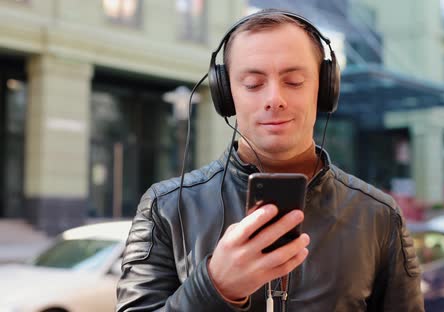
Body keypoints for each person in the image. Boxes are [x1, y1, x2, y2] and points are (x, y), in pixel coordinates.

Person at [116, 9, 424, 312]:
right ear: (227, 94)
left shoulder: (379, 217)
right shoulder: (165, 208)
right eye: (252, 84)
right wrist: (214, 288)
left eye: (293, 81)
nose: (274, 98)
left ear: (325, 88)